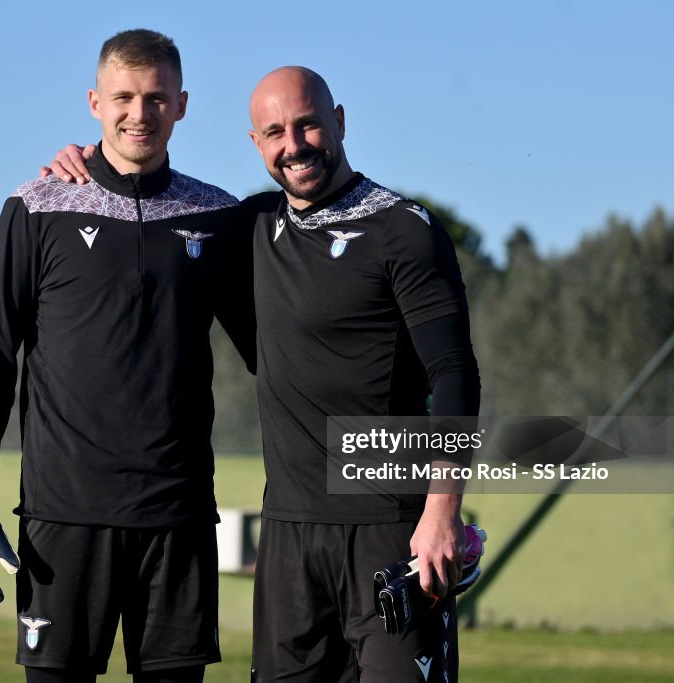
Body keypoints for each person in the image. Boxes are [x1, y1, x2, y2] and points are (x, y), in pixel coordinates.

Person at [45, 67, 480, 682]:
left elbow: (456, 372)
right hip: (288, 539)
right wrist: (89, 162)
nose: (294, 145)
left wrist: (442, 512)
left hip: (390, 529)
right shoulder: (244, 227)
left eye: (307, 125)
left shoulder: (405, 230)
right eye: (275, 132)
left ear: (340, 123)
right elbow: (148, 205)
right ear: (257, 144)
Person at [0, 29, 255, 683]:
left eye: (155, 98)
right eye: (123, 97)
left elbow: (277, 355)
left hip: (177, 516)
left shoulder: (221, 216)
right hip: (63, 518)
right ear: (94, 101)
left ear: (181, 104)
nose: (138, 113)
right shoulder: (37, 206)